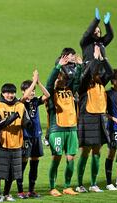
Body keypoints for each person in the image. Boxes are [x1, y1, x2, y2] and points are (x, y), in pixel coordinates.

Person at [76, 46, 113, 193]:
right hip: (87, 118)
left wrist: (102, 59)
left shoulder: (100, 83)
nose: (97, 72)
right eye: (94, 70)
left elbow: (110, 72)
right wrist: (95, 59)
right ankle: (79, 184)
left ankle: (93, 183)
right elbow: (85, 76)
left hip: (99, 119)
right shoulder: (83, 85)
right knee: (85, 152)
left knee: (97, 152)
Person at [46, 49, 82, 197]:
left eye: (62, 77)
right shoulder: (50, 93)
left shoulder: (70, 90)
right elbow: (49, 83)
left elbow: (77, 80)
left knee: (71, 158)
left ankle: (67, 186)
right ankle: (52, 187)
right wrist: (57, 67)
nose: (60, 79)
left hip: (72, 128)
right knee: (56, 157)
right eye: (58, 77)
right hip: (57, 128)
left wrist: (79, 67)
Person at [0, 83, 31, 202]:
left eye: (12, 93)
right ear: (2, 93)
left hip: (16, 143)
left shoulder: (20, 105)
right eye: (7, 93)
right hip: (1, 143)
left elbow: (26, 120)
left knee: (12, 172)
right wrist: (13, 117)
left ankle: (7, 194)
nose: (10, 95)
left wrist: (27, 124)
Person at [16, 69, 50, 199]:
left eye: (34, 90)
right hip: (26, 136)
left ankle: (31, 190)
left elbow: (47, 95)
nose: (33, 93)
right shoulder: (21, 101)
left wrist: (38, 82)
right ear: (23, 91)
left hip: (37, 136)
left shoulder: (36, 101)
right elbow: (25, 97)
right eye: (31, 90)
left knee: (34, 163)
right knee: (23, 163)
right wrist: (34, 81)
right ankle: (20, 191)